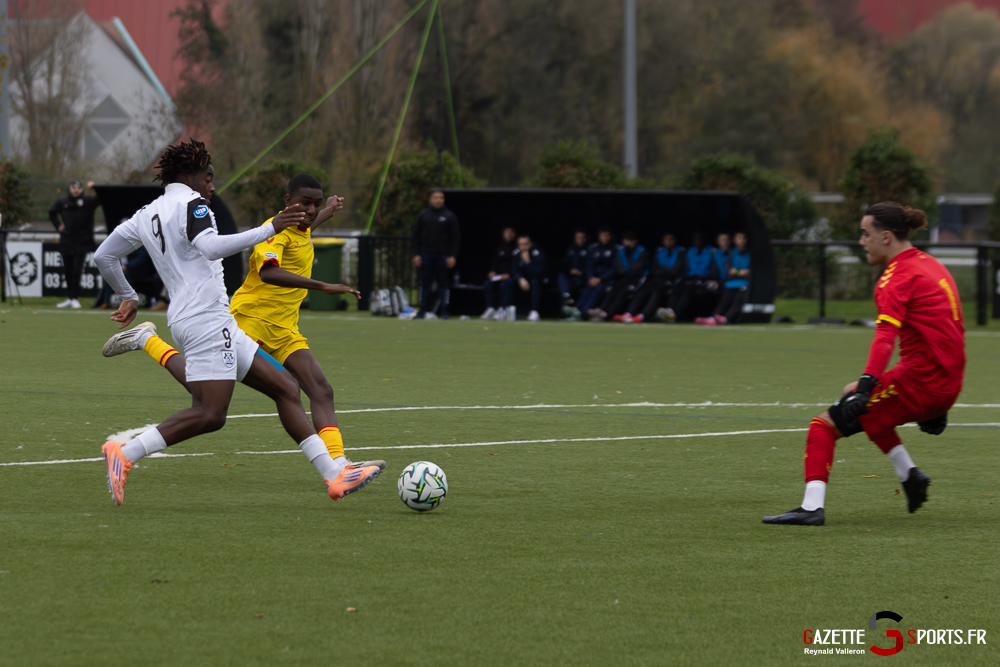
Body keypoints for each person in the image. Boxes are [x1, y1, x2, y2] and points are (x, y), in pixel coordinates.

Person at [93, 139, 383, 506]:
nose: (212, 187)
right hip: (206, 318)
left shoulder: (146, 213)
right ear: (188, 176)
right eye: (208, 178)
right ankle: (126, 453)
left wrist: (129, 295)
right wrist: (271, 227)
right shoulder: (193, 204)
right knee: (210, 413)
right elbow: (211, 247)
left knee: (286, 388)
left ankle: (336, 475)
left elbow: (104, 255)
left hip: (199, 317)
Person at [763, 202, 964, 526]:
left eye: (865, 233)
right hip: (946, 383)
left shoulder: (896, 276)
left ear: (886, 236)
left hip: (923, 383)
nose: (861, 241)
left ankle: (811, 507)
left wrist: (868, 384)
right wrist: (940, 402)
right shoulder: (932, 265)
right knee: (854, 395)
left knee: (823, 426)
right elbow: (952, 330)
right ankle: (909, 473)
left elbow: (885, 336)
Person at [49, 179, 100, 309]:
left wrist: (95, 188)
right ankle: (70, 297)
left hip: (82, 242)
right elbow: (52, 212)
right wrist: (58, 225)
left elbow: (101, 199)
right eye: (73, 188)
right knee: (68, 271)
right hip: (67, 241)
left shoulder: (88, 201)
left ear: (82, 189)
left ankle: (75, 298)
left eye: (78, 188)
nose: (76, 190)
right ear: (70, 189)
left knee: (77, 270)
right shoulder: (63, 202)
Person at [617, 232, 686, 323]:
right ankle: (629, 313)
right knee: (642, 290)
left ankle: (642, 316)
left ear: (675, 240)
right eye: (666, 239)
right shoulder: (659, 250)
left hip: (671, 280)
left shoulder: (680, 251)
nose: (668, 242)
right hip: (657, 279)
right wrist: (667, 270)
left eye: (671, 239)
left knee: (657, 292)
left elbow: (676, 271)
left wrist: (662, 269)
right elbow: (654, 269)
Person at [412, 189, 460, 319]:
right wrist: (417, 254)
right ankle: (422, 310)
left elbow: (455, 238)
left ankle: (444, 310)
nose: (438, 200)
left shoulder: (449, 216)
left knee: (443, 283)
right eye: (436, 197)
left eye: (441, 198)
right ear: (430, 199)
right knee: (425, 283)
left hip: (443, 255)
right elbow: (416, 236)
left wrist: (452, 256)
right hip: (426, 254)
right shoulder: (423, 215)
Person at [591, 231, 648, 322]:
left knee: (624, 293)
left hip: (638, 278)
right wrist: (630, 269)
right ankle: (602, 309)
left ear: (635, 241)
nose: (628, 243)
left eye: (630, 241)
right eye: (626, 241)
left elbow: (638, 268)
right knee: (613, 289)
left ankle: (607, 314)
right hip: (625, 277)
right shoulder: (621, 251)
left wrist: (628, 260)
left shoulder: (641, 250)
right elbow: (619, 269)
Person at [696, 231, 751, 326]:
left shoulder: (751, 254)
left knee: (739, 299)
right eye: (738, 238)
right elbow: (729, 272)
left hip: (746, 283)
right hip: (731, 282)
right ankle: (713, 317)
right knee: (725, 298)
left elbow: (750, 273)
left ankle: (726, 318)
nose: (741, 241)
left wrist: (737, 272)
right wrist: (741, 272)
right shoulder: (732, 253)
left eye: (743, 238)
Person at [662, 233, 716, 322]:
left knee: (688, 291)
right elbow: (686, 269)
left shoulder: (712, 251)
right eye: (696, 239)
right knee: (677, 289)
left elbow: (713, 270)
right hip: (690, 278)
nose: (698, 241)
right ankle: (670, 310)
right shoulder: (689, 251)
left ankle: (674, 315)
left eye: (700, 239)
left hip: (703, 279)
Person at [571, 228, 616, 321]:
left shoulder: (615, 249)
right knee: (588, 288)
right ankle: (575, 311)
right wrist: (591, 277)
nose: (605, 238)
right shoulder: (594, 248)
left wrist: (601, 279)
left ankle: (582, 313)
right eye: (603, 235)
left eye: (607, 235)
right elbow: (589, 265)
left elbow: (614, 269)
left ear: (611, 236)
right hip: (593, 278)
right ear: (599, 236)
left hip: (606, 280)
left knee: (597, 290)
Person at [480, 226, 517, 319]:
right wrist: (493, 272)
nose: (509, 234)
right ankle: (491, 308)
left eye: (511, 232)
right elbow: (495, 263)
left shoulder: (516, 248)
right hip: (500, 276)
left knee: (505, 284)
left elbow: (517, 265)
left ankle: (503, 309)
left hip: (511, 276)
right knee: (488, 283)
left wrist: (509, 274)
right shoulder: (500, 248)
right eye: (507, 232)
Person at [510, 235, 546, 321]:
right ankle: (504, 310)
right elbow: (514, 270)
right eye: (521, 245)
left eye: (525, 244)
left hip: (536, 279)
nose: (523, 247)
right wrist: (520, 279)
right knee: (508, 282)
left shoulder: (537, 253)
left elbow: (538, 273)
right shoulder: (516, 253)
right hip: (522, 281)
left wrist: (528, 263)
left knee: (535, 282)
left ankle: (535, 312)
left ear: (530, 244)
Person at [558, 230, 589, 309]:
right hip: (572, 278)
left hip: (583, 278)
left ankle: (576, 311)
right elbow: (564, 265)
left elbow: (591, 266)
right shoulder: (570, 250)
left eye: (583, 238)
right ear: (575, 238)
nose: (581, 240)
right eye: (579, 238)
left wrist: (582, 272)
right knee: (561, 276)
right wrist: (570, 271)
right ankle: (566, 296)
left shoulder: (590, 250)